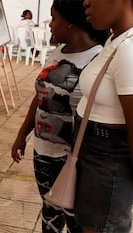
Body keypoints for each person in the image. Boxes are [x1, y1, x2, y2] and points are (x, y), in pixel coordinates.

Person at [11, 0, 110, 232]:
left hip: (74, 159)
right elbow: (41, 98)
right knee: (49, 212)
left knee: (76, 219)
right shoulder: (58, 52)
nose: (50, 25)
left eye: (54, 19)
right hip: (43, 152)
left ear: (70, 24)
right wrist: (21, 135)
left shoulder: (98, 59)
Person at [73, 0, 133, 232]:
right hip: (94, 160)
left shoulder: (129, 50)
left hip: (107, 167)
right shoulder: (115, 40)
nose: (85, 2)